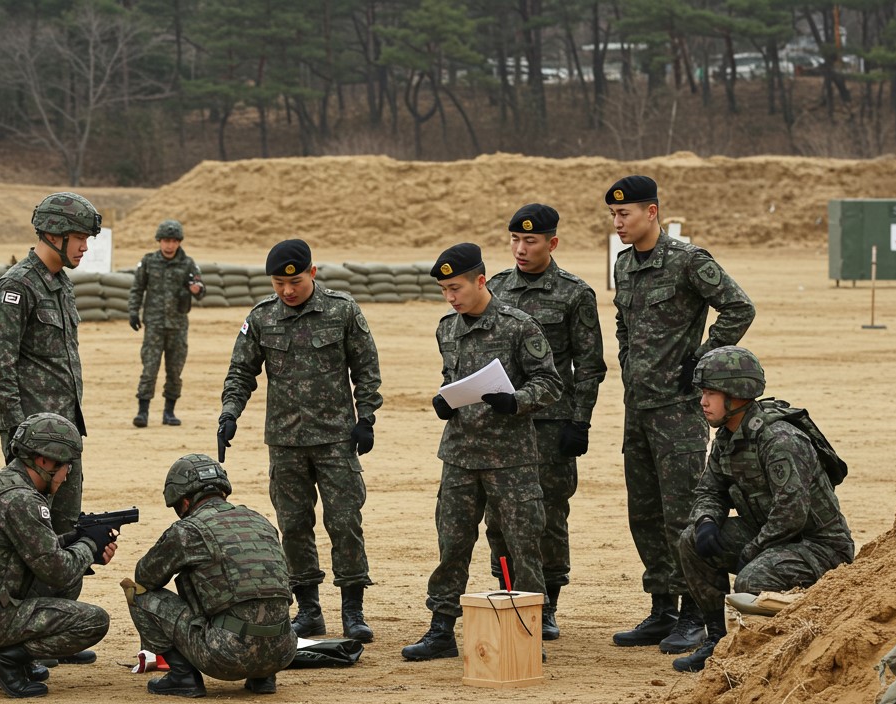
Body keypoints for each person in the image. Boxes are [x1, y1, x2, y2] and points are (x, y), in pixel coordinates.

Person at [606, 175, 756, 655]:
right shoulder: (625, 264)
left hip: (676, 410)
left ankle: (696, 612)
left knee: (682, 514)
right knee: (644, 512)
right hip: (638, 409)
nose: (618, 222)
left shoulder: (688, 261)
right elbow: (622, 323)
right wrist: (629, 362)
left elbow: (738, 307)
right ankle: (661, 607)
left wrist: (704, 361)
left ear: (651, 212)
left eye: (624, 214)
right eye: (613, 215)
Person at [403, 243, 563, 661]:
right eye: (444, 290)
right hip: (459, 455)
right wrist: (443, 400)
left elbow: (550, 382)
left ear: (479, 280)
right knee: (452, 544)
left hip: (510, 458)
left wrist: (518, 400)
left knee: (521, 546)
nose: (451, 297)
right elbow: (450, 377)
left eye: (456, 287)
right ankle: (441, 628)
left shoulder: (519, 326)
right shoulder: (446, 328)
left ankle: (526, 632)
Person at [218, 239, 382, 643]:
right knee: (293, 527)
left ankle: (353, 610)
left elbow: (366, 367)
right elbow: (241, 371)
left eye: (294, 282)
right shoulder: (262, 318)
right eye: (278, 283)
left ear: (312, 272)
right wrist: (229, 413)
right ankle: (308, 610)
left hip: (335, 439)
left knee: (344, 522)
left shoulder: (342, 310)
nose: (287, 291)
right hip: (285, 441)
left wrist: (367, 418)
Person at [673, 347, 854, 672]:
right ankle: (718, 640)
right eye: (703, 392)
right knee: (690, 541)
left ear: (738, 395)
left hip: (819, 547)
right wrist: (707, 522)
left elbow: (792, 513)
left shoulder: (779, 439)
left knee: (753, 578)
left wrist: (753, 550)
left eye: (711, 393)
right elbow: (708, 490)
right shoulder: (728, 437)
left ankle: (779, 650)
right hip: (769, 537)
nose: (703, 401)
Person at [0, 413, 118, 698]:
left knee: (70, 581)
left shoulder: (2, 484)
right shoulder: (23, 500)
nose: (67, 474)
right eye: (66, 465)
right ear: (44, 461)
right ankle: (6, 661)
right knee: (94, 621)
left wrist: (74, 541)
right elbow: (58, 570)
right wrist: (89, 546)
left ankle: (18, 657)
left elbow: (33, 551)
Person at [486, 204, 606, 641]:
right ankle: (508, 594)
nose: (521, 248)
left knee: (549, 515)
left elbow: (590, 366)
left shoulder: (575, 294)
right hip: (502, 425)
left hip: (551, 424)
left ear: (552, 243)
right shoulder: (495, 287)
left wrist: (581, 422)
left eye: (531, 241)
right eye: (515, 239)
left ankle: (547, 603)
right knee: (499, 514)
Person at [122, 454, 296, 697]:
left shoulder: (188, 530)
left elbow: (145, 577)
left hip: (226, 655)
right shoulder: (260, 521)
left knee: (137, 593)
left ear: (183, 502)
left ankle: (183, 677)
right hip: (283, 651)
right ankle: (263, 678)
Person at [0, 192, 100, 540]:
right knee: (33, 535)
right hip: (34, 440)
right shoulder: (17, 286)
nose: (84, 247)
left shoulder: (62, 284)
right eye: (79, 238)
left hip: (64, 431)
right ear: (54, 235)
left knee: (65, 532)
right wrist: (22, 437)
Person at [127, 219, 204, 428]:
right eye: (165, 241)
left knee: (174, 370)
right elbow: (137, 289)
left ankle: (169, 412)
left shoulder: (188, 264)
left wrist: (196, 289)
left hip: (178, 325)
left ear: (179, 242)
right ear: (159, 241)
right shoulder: (149, 262)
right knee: (149, 368)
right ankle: (142, 412)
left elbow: (200, 289)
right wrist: (133, 312)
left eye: (173, 241)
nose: (169, 245)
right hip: (154, 325)